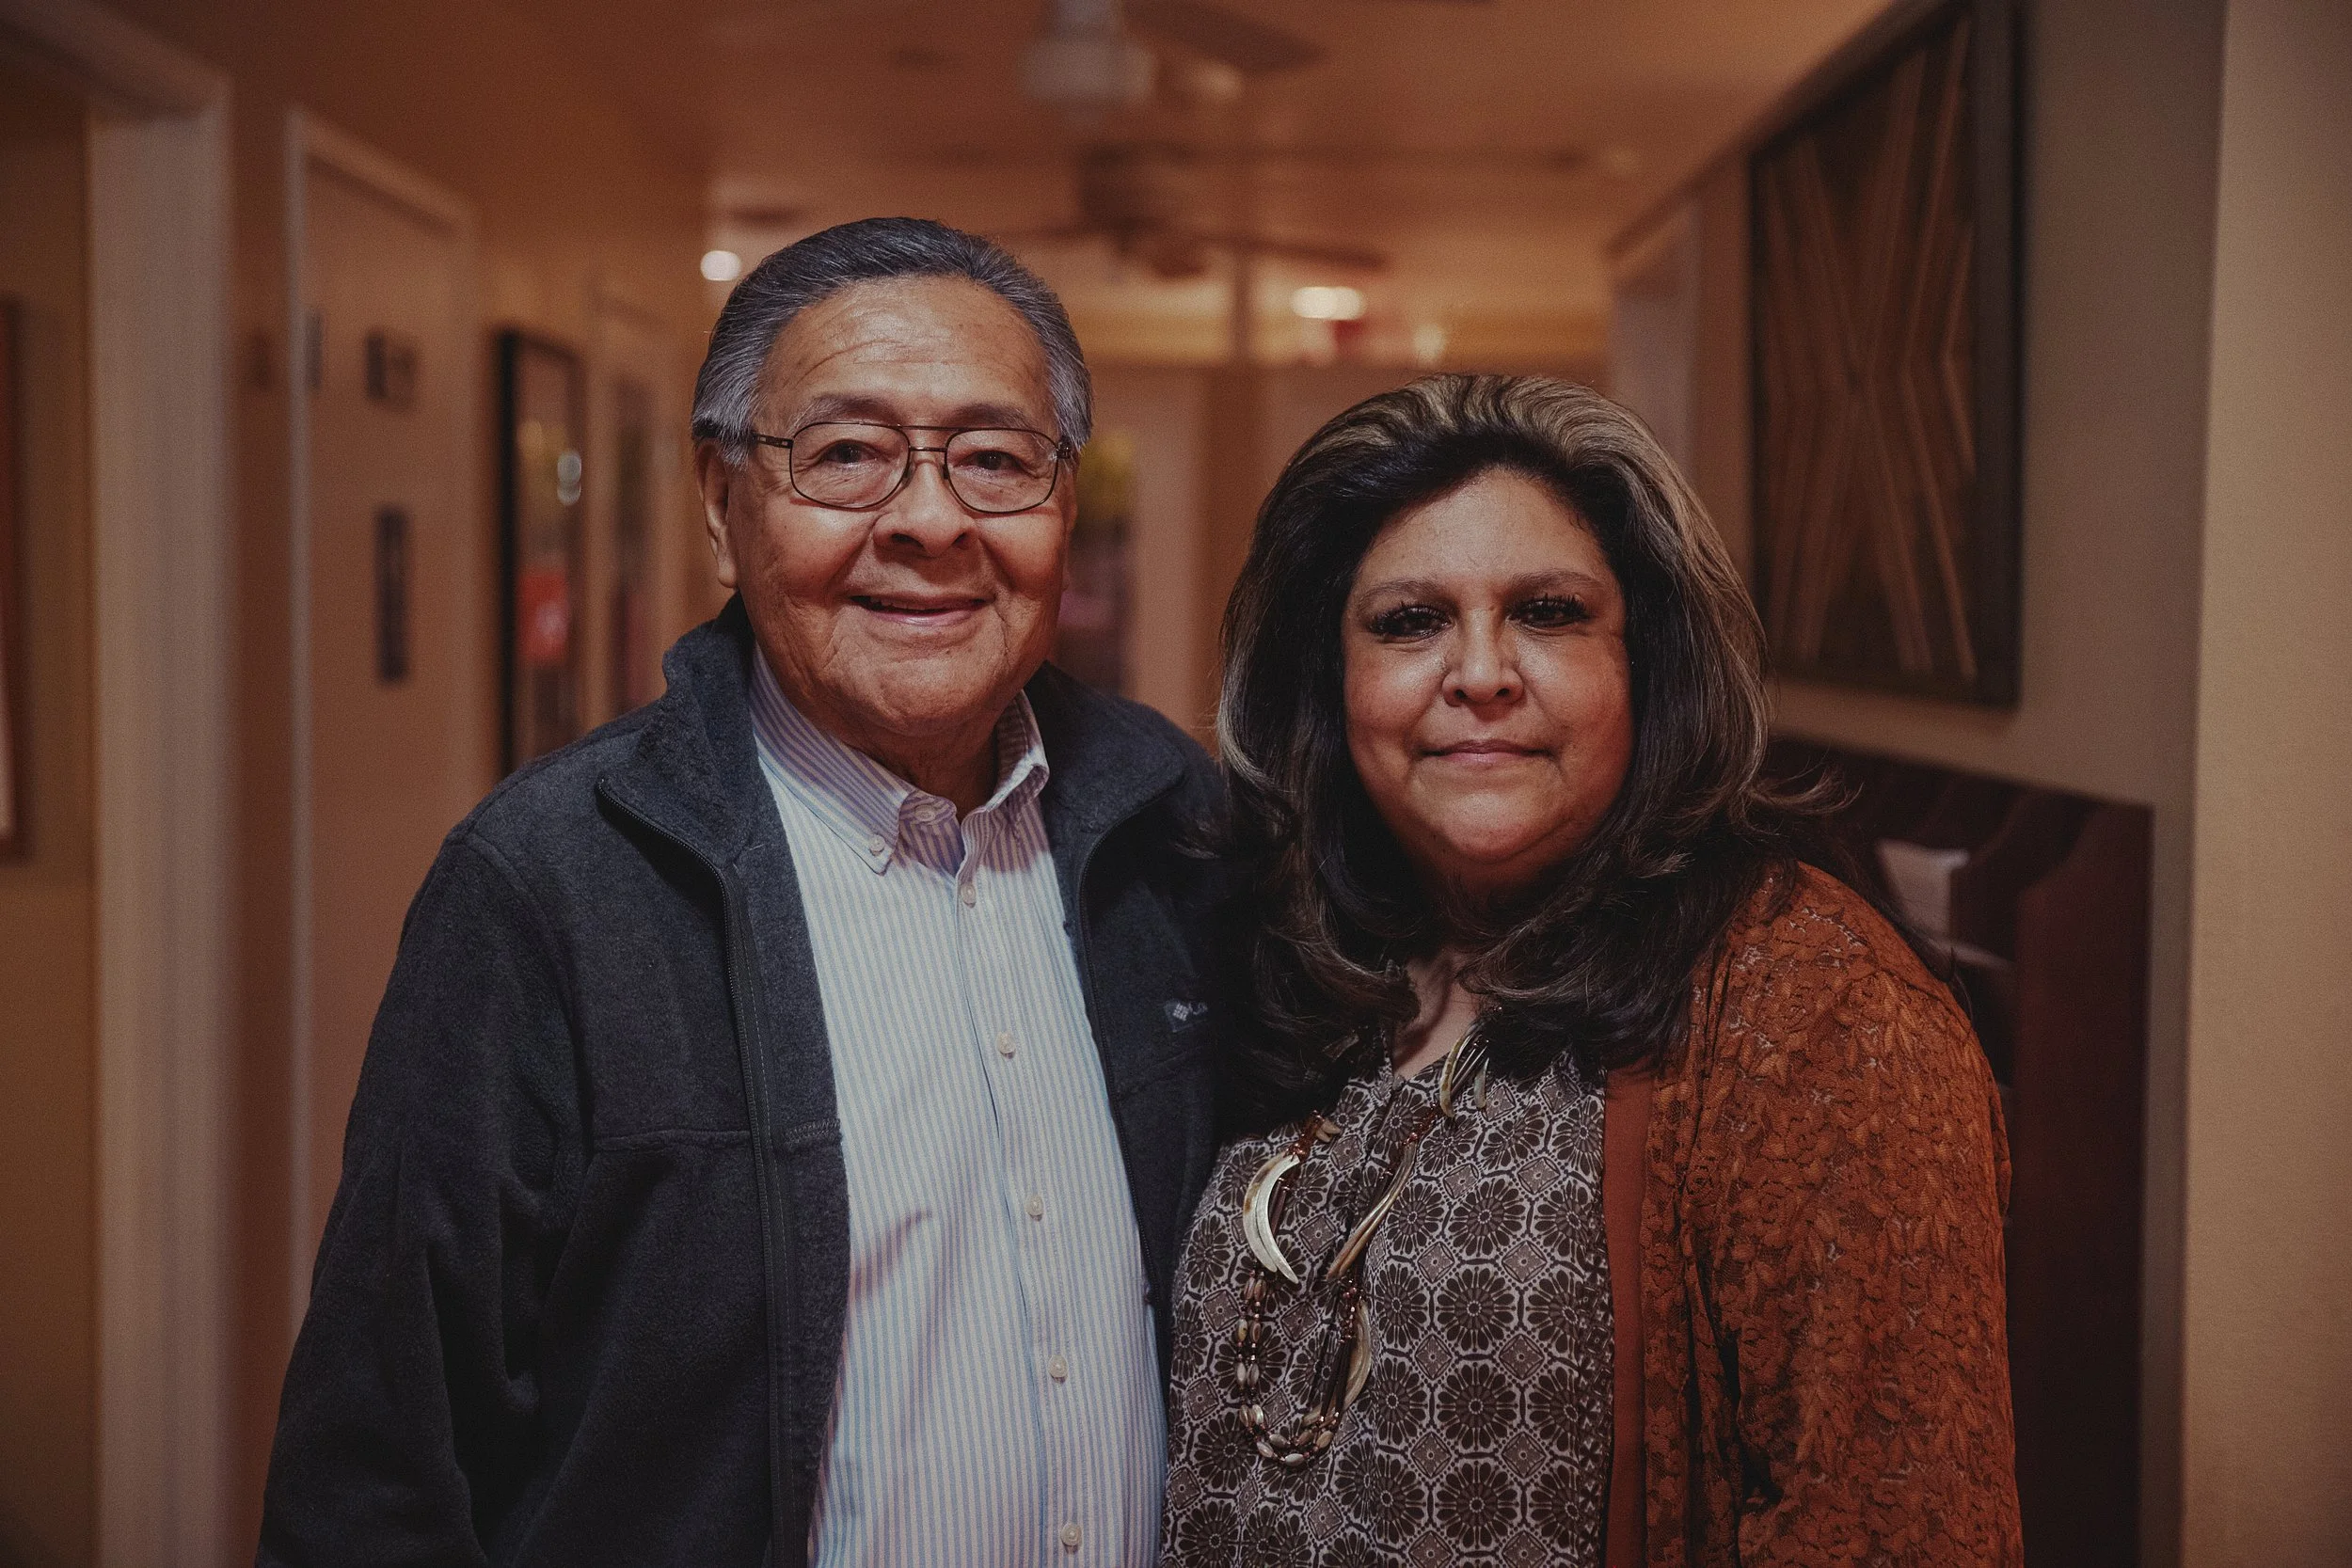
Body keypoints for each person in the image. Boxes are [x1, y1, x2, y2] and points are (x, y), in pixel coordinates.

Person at [260, 218, 1225, 1567]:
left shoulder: (1172, 827)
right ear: (720, 505)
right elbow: (379, 1469)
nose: (931, 520)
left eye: (997, 459)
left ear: (1063, 504)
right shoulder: (547, 887)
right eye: (846, 453)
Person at [1160, 375, 2021, 1566]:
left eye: (1549, 612)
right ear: (1328, 682)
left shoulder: (1815, 1012)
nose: (1479, 672)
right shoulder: (1290, 956)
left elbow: (1893, 1528)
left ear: (1646, 663)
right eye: (1409, 621)